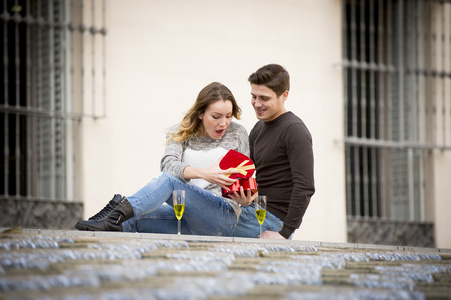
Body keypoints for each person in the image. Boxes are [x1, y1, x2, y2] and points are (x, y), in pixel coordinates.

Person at [75, 82, 250, 236]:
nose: (224, 123)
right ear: (200, 114)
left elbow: (245, 178)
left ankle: (115, 212)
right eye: (216, 116)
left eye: (229, 116)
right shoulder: (180, 131)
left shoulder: (237, 133)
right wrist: (204, 174)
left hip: (221, 218)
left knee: (169, 181)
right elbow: (168, 165)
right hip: (186, 217)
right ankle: (106, 221)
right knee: (132, 220)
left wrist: (247, 199)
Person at [230, 64, 315, 240]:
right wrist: (245, 196)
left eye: (264, 98)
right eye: (253, 96)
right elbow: (250, 175)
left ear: (284, 95)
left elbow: (305, 187)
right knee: (179, 216)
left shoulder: (295, 130)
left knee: (191, 220)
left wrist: (284, 234)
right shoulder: (258, 128)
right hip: (251, 211)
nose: (257, 103)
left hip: (272, 221)